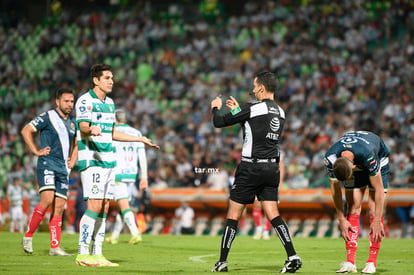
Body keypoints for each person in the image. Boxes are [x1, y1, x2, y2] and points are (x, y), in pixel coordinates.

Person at [210, 71, 302, 273]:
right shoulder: (282, 112)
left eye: (254, 86)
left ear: (261, 87)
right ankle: (292, 256)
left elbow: (219, 122)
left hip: (250, 168)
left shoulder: (251, 108)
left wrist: (215, 108)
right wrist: (240, 114)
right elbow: (258, 129)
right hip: (271, 168)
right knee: (273, 214)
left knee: (233, 215)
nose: (252, 90)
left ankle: (222, 262)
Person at [75, 63, 159, 267]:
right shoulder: (85, 101)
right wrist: (90, 129)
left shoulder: (110, 104)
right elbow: (83, 126)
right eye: (107, 78)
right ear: (96, 80)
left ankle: (98, 253)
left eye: (112, 78)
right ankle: (82, 253)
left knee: (104, 207)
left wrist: (139, 140)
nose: (111, 81)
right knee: (94, 205)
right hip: (92, 159)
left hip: (109, 161)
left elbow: (112, 132)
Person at [21, 87, 77, 256]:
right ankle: (29, 235)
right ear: (57, 101)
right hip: (47, 162)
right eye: (66, 101)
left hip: (63, 168)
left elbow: (78, 144)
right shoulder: (48, 116)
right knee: (47, 199)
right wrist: (36, 151)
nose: (69, 104)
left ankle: (55, 247)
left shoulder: (73, 123)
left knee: (59, 207)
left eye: (71, 101)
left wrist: (73, 159)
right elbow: (26, 130)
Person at [324, 130, 389, 274]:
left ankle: (372, 262)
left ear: (354, 168)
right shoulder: (330, 158)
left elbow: (378, 189)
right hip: (355, 158)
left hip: (378, 158)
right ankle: (350, 262)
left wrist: (377, 219)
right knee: (353, 209)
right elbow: (335, 190)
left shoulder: (368, 155)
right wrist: (340, 218)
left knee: (373, 209)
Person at [105, 109, 148, 245]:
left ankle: (135, 233)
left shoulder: (112, 132)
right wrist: (144, 177)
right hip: (131, 175)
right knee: (123, 206)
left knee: (123, 205)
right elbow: (142, 157)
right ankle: (115, 235)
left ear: (114, 120)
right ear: (125, 119)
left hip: (117, 173)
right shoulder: (137, 133)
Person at [253, 153, 285, 240]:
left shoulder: (275, 149)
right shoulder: (257, 148)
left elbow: (281, 166)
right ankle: (259, 229)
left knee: (270, 207)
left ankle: (266, 231)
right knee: (257, 204)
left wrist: (280, 181)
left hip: (271, 180)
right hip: (258, 178)